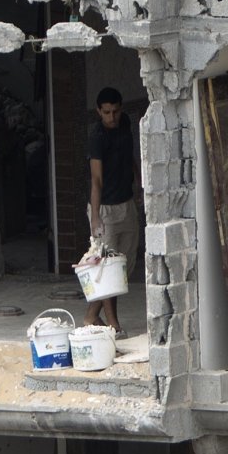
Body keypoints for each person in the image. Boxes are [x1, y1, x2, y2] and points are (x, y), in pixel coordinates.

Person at [85, 87, 141, 331]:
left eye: (115, 111)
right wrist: (96, 217)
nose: (111, 117)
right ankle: (113, 324)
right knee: (108, 268)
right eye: (106, 112)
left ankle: (90, 317)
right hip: (105, 210)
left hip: (126, 205)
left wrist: (138, 181)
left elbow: (129, 156)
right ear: (99, 111)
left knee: (123, 268)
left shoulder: (125, 123)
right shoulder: (96, 136)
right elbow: (96, 179)